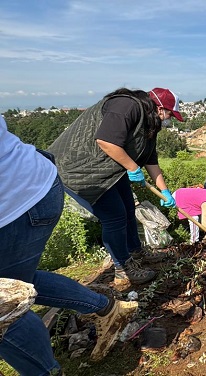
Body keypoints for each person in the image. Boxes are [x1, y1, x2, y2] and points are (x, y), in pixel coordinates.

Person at [0, 115, 138, 375]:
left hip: (14, 202)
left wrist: (135, 168)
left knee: (5, 302)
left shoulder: (132, 113)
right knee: (18, 283)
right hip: (35, 184)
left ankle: (47, 370)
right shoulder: (128, 111)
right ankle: (108, 308)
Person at [48, 88, 182, 287]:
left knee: (129, 208)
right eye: (170, 114)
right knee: (115, 216)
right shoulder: (126, 105)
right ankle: (123, 269)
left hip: (110, 168)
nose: (169, 119)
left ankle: (136, 252)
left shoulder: (150, 122)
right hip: (80, 169)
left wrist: (164, 191)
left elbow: (151, 160)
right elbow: (106, 141)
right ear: (160, 108)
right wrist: (132, 167)